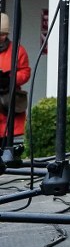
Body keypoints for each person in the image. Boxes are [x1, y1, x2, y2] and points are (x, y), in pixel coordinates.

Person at [0, 13, 32, 154]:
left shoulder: (18, 51)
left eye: (4, 34)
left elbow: (25, 72)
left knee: (8, 146)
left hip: (9, 102)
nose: (1, 37)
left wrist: (11, 79)